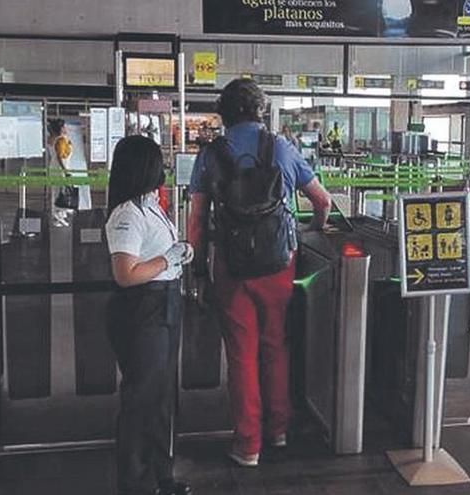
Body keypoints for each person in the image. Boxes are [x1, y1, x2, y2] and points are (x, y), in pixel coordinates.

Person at [188, 79, 331, 467]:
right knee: (275, 344)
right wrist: (313, 229)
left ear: (224, 112)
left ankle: (247, 444)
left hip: (231, 267)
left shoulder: (211, 155)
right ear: (260, 111)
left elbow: (197, 219)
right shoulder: (282, 148)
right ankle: (279, 430)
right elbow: (322, 199)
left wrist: (198, 271)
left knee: (241, 354)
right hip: (279, 262)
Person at [105, 135, 194, 495]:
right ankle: (134, 483)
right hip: (143, 308)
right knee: (142, 398)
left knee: (160, 397)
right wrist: (169, 259)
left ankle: (161, 476)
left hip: (165, 302)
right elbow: (125, 274)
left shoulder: (150, 206)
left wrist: (177, 254)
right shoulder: (127, 214)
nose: (165, 168)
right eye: (159, 162)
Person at [47, 118, 92, 227]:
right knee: (61, 191)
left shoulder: (52, 139)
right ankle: (58, 215)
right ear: (60, 129)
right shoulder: (61, 140)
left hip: (54, 168)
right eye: (63, 127)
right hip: (61, 169)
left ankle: (60, 214)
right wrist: (66, 171)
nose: (65, 128)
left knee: (57, 191)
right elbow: (60, 157)